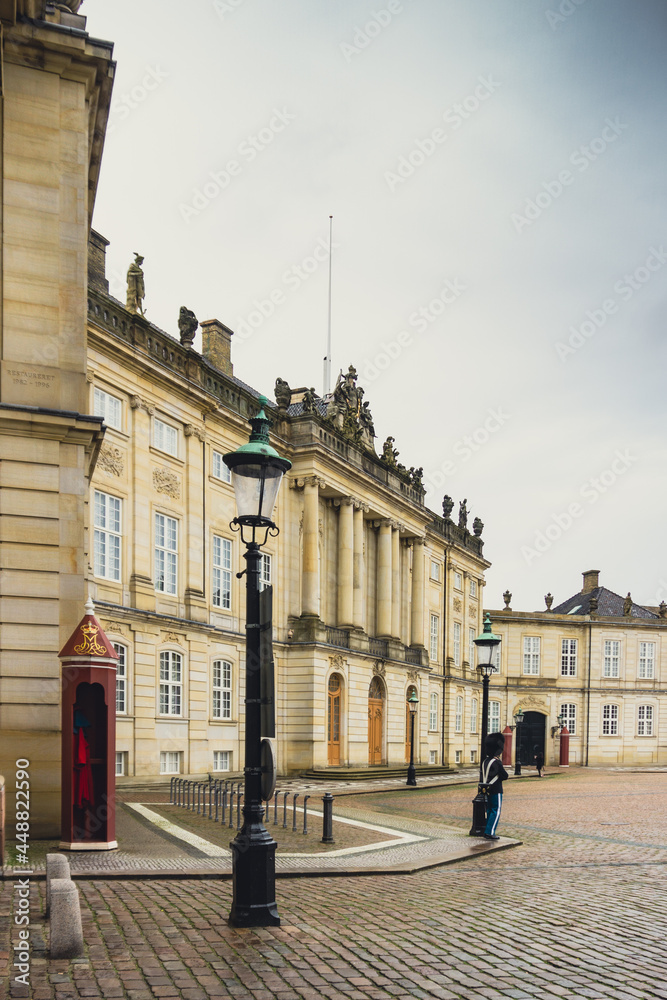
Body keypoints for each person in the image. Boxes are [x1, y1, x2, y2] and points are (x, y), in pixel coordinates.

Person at [481, 732, 508, 840]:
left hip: (486, 789)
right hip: (496, 789)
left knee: (489, 810)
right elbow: (504, 775)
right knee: (496, 811)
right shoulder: (497, 762)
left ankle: (487, 830)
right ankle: (490, 831)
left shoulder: (485, 761)